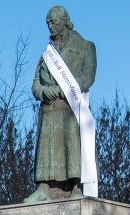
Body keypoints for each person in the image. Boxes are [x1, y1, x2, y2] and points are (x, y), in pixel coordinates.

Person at [24, 5, 97, 202]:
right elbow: (34, 84)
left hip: (71, 108)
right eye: (47, 22)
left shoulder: (85, 47)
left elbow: (87, 78)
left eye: (53, 22)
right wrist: (42, 91)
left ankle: (76, 186)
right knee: (46, 148)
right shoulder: (47, 53)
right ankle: (44, 187)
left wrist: (61, 90)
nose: (50, 26)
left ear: (65, 21)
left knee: (73, 146)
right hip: (49, 109)